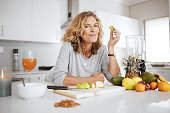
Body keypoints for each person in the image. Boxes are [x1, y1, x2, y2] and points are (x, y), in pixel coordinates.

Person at [53, 11, 121, 86]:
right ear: (78, 31)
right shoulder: (68, 46)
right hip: (50, 82)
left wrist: (111, 47)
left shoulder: (102, 49)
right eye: (87, 26)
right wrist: (93, 80)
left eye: (95, 25)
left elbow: (115, 78)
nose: (93, 30)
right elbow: (58, 79)